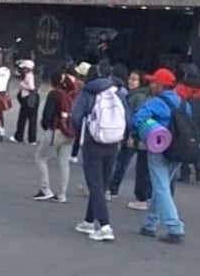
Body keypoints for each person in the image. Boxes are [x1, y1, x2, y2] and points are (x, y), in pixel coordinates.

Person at [70, 61, 126, 242]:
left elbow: (77, 116)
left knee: (95, 184)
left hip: (93, 140)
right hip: (114, 141)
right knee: (102, 183)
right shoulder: (117, 91)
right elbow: (128, 117)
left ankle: (105, 225)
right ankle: (88, 221)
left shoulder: (88, 92)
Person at [131, 68, 188, 244]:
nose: (151, 84)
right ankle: (150, 224)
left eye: (153, 82)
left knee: (161, 188)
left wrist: (141, 133)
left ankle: (174, 227)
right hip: (180, 149)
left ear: (160, 85)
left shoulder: (156, 102)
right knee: (161, 186)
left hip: (159, 148)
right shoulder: (183, 102)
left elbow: (137, 119)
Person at [33, 71, 76, 203]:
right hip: (69, 132)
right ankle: (62, 194)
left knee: (40, 158)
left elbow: (47, 115)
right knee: (64, 162)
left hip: (55, 131)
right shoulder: (69, 96)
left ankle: (45, 189)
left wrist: (46, 127)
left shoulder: (54, 94)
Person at [112, 70, 152, 209]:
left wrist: (131, 135)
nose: (131, 81)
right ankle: (113, 187)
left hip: (134, 133)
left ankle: (113, 188)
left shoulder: (138, 97)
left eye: (135, 79)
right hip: (135, 133)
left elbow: (137, 117)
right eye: (130, 78)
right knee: (124, 162)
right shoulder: (134, 94)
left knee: (123, 162)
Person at [13, 59, 39, 144]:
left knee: (22, 118)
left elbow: (31, 88)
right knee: (32, 119)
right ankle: (32, 139)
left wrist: (22, 85)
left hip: (27, 98)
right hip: (33, 98)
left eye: (24, 68)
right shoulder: (34, 75)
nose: (23, 70)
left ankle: (19, 137)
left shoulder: (29, 76)